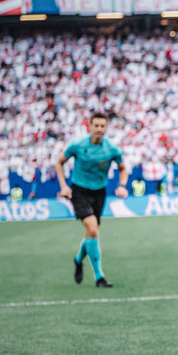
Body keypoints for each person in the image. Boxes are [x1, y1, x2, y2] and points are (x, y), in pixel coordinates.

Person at [54, 112, 128, 288]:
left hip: (99, 192)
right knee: (93, 228)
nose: (99, 129)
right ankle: (99, 277)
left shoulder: (111, 148)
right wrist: (64, 187)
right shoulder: (78, 145)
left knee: (90, 233)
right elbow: (59, 163)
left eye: (103, 126)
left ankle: (78, 259)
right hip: (79, 191)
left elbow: (123, 168)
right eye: (96, 126)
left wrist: (122, 185)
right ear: (90, 126)